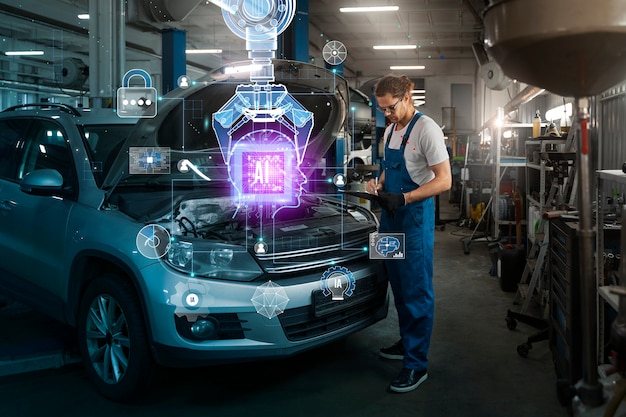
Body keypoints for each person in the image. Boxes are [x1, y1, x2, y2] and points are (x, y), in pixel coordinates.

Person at [365, 74, 451, 393]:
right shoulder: (390, 130)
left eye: (389, 108)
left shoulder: (426, 128)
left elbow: (444, 181)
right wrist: (379, 184)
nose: (386, 114)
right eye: (382, 109)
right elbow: (391, 166)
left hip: (413, 219)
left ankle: (416, 364)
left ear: (407, 97)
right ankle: (406, 342)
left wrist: (403, 198)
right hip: (389, 219)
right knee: (396, 283)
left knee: (416, 289)